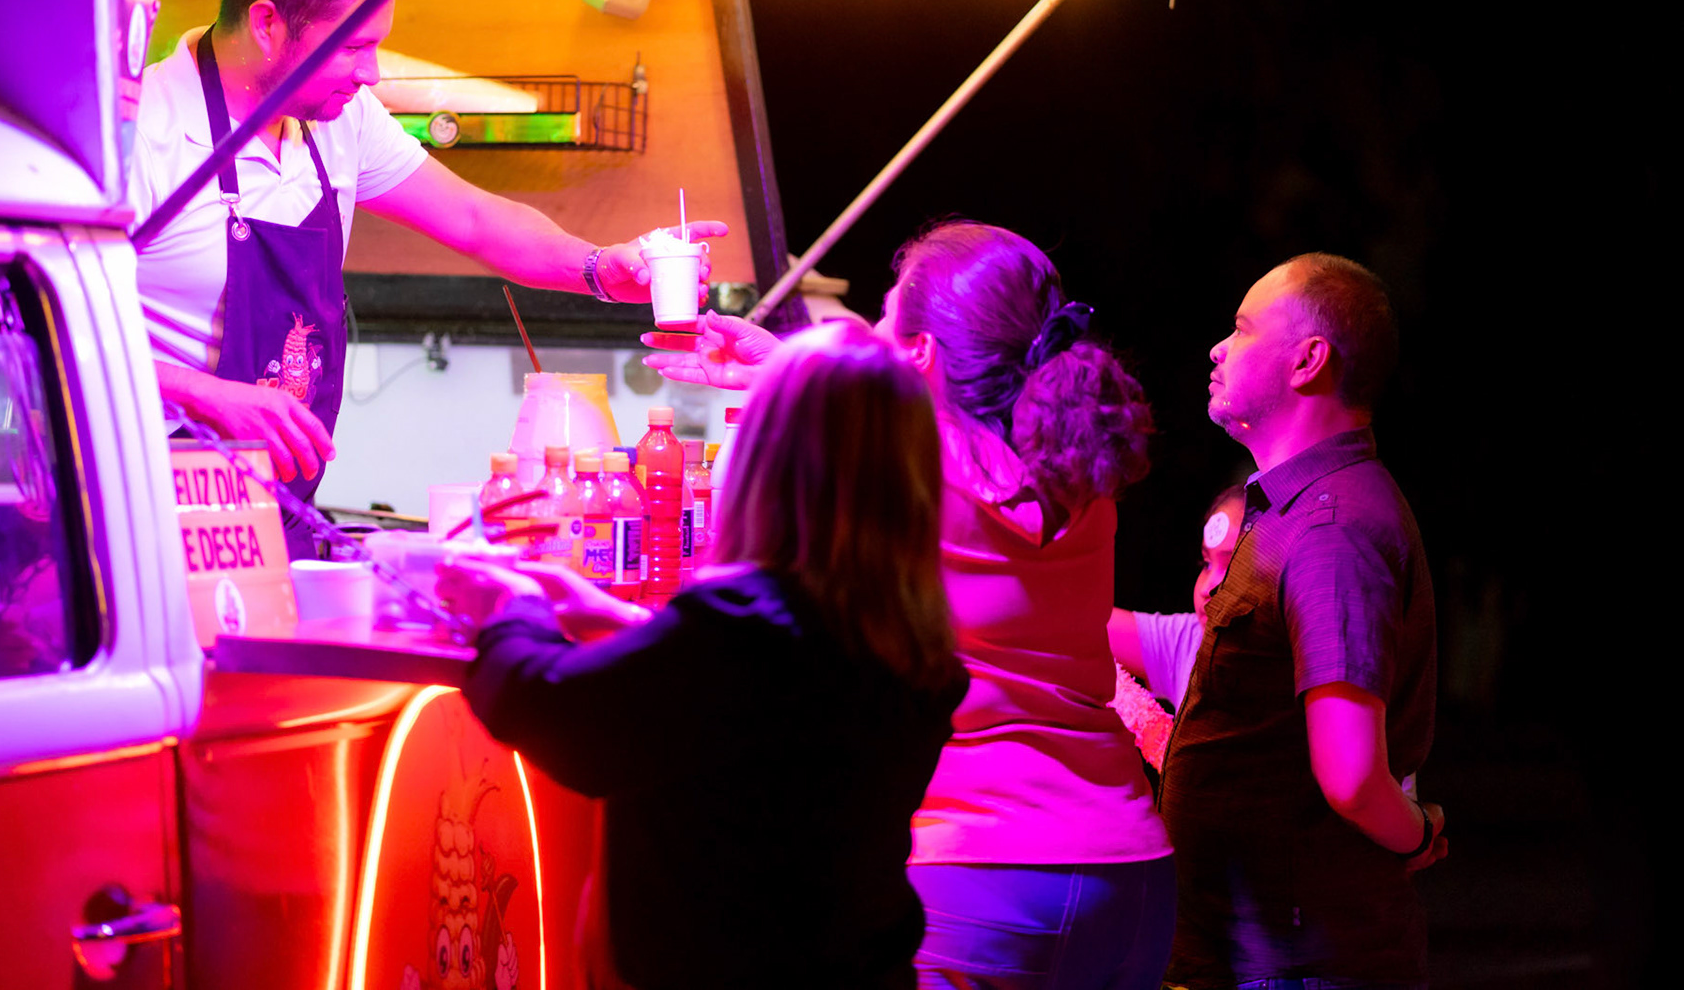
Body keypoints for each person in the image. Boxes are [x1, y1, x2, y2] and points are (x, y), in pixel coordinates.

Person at [646, 221, 1175, 990]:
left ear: (920, 353)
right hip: (1131, 875)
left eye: (887, 316)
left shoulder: (905, 476)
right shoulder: (1080, 474)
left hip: (979, 877)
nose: (871, 333)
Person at [127, 0, 721, 556]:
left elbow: (474, 219)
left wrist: (600, 267)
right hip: (147, 514)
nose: (371, 72)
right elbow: (52, 342)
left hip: (275, 512)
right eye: (353, 46)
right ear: (267, 23)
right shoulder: (141, 133)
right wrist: (205, 396)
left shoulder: (343, 120)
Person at [437, 321, 968, 990]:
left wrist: (509, 608)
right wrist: (621, 617)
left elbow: (550, 706)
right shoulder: (907, 640)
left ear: (768, 463)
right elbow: (761, 692)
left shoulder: (740, 628)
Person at [1159, 254, 1443, 990]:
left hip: (1298, 965)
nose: (1218, 348)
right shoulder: (1296, 511)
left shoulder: (1330, 528)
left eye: (1243, 329)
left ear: (1308, 360)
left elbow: (1351, 776)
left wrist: (1419, 832)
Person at [1109, 481, 1247, 709]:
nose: (1206, 588)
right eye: (1206, 564)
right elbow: (1081, 623)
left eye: (1233, 566)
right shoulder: (1190, 642)